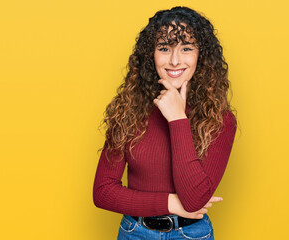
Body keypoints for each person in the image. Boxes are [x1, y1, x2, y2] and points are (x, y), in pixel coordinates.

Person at [93, 6, 238, 240]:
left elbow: (193, 201)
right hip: (135, 233)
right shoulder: (128, 110)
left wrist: (177, 118)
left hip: (192, 234)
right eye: (164, 48)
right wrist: (170, 202)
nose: (174, 60)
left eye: (186, 48)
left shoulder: (220, 119)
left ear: (201, 55)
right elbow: (103, 192)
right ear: (152, 54)